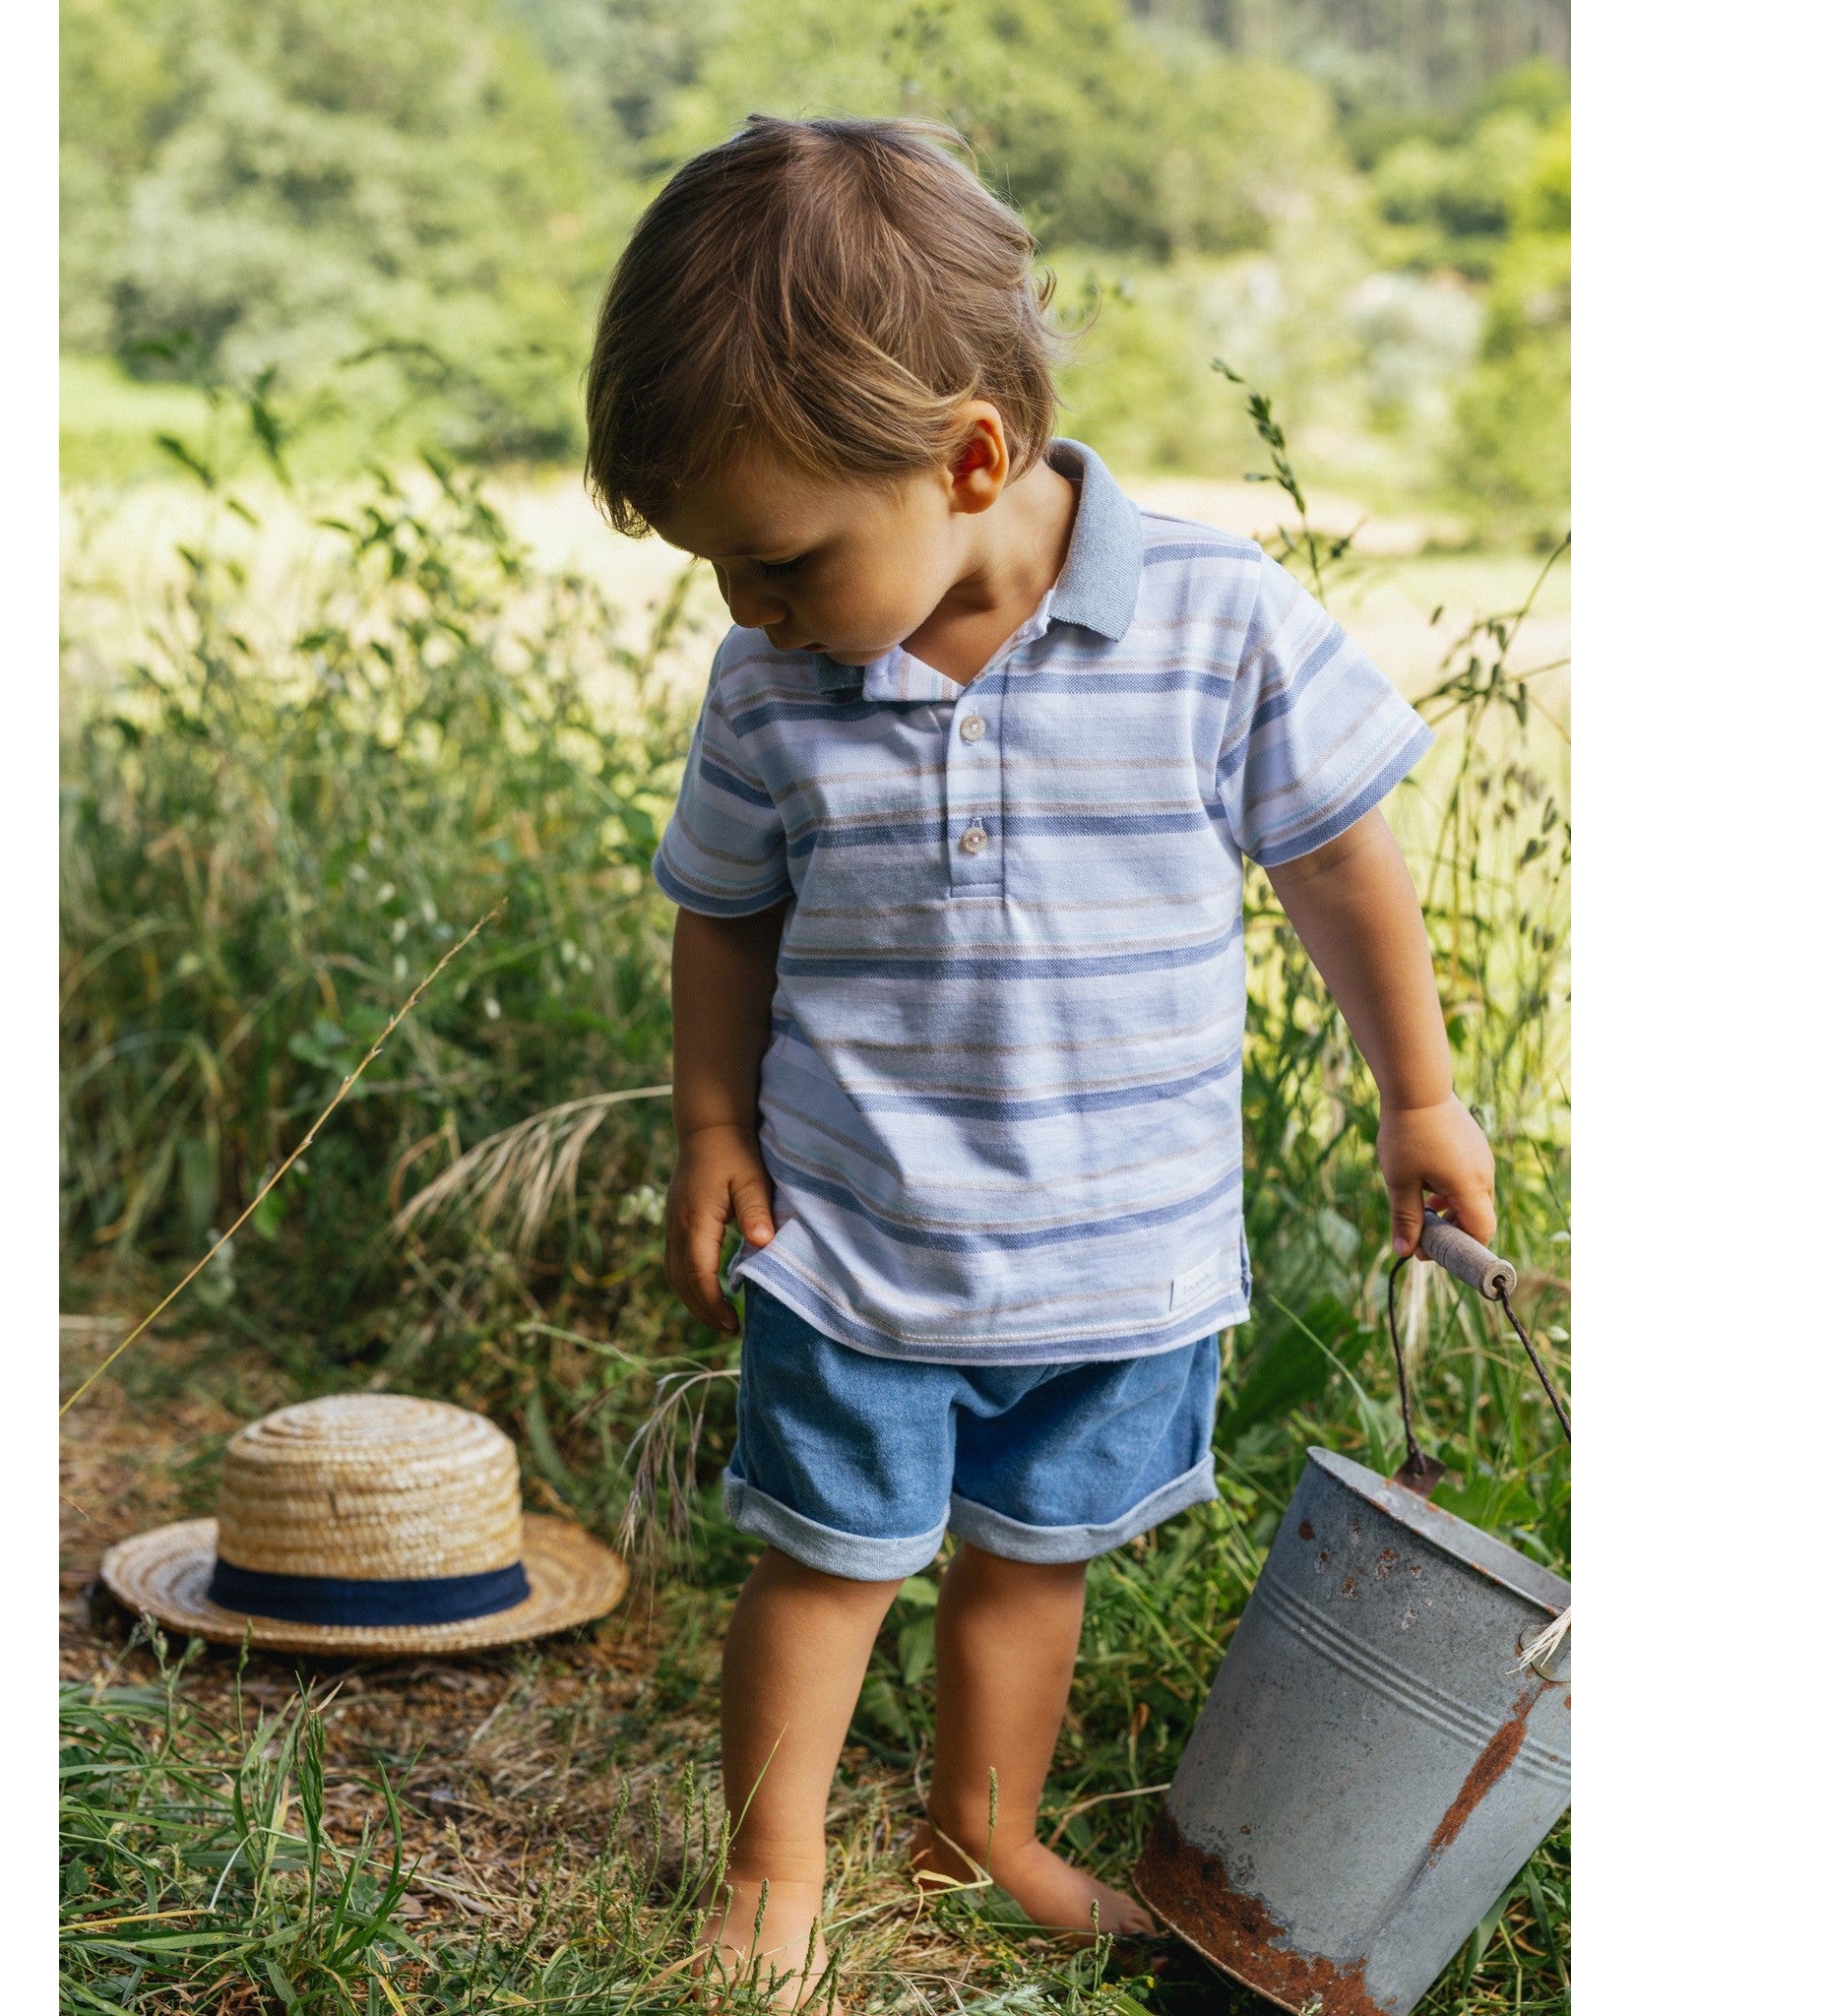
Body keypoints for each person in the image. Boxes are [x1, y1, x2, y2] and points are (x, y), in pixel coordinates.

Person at [584, 114, 1496, 2003]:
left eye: (774, 560)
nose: (741, 608)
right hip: (857, 1231)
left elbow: (1337, 854)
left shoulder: (1216, 625)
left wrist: (1419, 1092)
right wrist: (707, 1119)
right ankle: (774, 1868)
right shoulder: (776, 683)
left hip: (1121, 1248)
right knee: (828, 1560)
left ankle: (976, 1827)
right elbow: (724, 911)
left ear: (971, 456)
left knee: (1030, 1562)